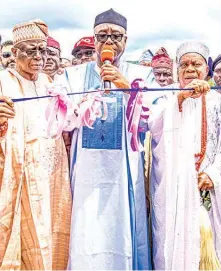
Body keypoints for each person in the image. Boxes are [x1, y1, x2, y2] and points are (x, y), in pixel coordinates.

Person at [0, 19, 71, 270]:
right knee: (18, 248)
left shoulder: (50, 84)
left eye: (43, 50)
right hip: (17, 182)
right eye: (30, 49)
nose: (39, 56)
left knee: (55, 240)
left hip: (52, 179)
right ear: (14, 53)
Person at [55, 8, 153, 270]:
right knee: (85, 231)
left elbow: (151, 120)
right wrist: (82, 105)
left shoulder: (142, 75)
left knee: (122, 229)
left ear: (126, 41)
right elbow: (61, 117)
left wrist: (126, 88)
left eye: (116, 36)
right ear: (94, 38)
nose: (108, 42)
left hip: (124, 171)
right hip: (85, 170)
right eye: (102, 36)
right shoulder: (71, 76)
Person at [145, 41, 221, 270]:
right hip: (173, 193)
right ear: (177, 70)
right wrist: (180, 99)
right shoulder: (165, 98)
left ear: (207, 69)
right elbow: (153, 126)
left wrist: (214, 173)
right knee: (171, 248)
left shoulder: (219, 101)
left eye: (196, 64)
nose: (190, 69)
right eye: (184, 64)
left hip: (207, 189)